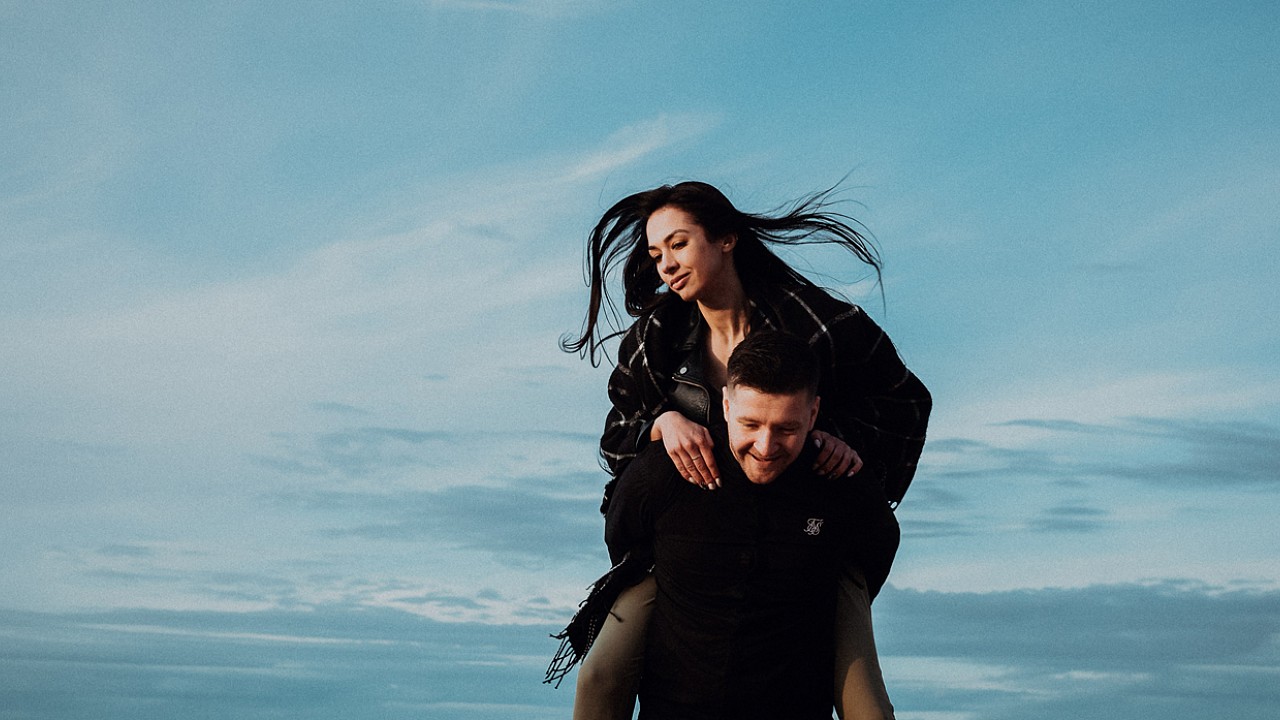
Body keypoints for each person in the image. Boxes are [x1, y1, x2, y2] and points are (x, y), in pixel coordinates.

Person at [563, 181, 931, 719]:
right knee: (599, 673)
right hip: (687, 540)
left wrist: (843, 448)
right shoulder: (653, 339)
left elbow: (906, 403)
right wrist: (661, 424)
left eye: (679, 244)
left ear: (727, 239)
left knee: (866, 702)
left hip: (805, 530)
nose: (666, 264)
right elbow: (617, 442)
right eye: (656, 253)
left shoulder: (818, 325)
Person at [605, 331, 899, 719]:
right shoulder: (664, 472)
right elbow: (623, 539)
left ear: (813, 414)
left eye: (787, 429)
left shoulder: (842, 484)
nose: (765, 446)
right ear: (726, 405)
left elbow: (876, 552)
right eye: (750, 424)